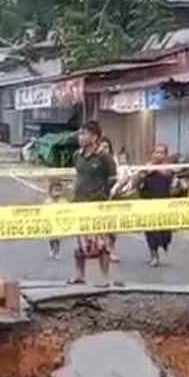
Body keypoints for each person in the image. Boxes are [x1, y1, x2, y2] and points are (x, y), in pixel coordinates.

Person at [72, 121, 117, 285]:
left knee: (102, 243)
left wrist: (102, 193)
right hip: (79, 204)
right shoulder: (77, 155)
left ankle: (104, 277)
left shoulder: (104, 157)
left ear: (94, 137)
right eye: (80, 134)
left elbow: (113, 178)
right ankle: (79, 275)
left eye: (83, 134)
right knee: (79, 243)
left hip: (98, 205)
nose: (80, 137)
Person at [138, 143, 174, 267]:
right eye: (156, 152)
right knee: (150, 231)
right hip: (148, 202)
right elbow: (140, 178)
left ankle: (160, 249)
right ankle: (154, 255)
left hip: (163, 203)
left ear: (165, 155)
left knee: (163, 232)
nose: (158, 155)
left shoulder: (167, 168)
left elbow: (168, 175)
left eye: (161, 152)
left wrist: (156, 169)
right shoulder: (147, 167)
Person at [45, 178, 66, 260]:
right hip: (50, 223)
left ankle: (57, 252)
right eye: (55, 190)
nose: (57, 192)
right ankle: (51, 249)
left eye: (59, 190)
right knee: (51, 239)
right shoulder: (48, 202)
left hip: (59, 223)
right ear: (50, 192)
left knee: (58, 239)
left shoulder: (63, 202)